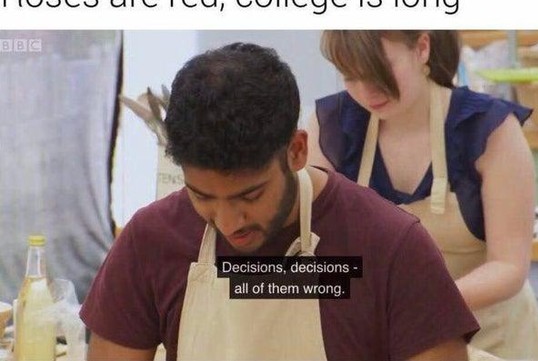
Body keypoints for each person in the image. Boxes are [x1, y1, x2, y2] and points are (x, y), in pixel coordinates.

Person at [80, 42, 479, 361]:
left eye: (249, 195)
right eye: (202, 197)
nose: (228, 221)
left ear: (297, 151)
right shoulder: (151, 240)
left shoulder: (389, 246)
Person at [307, 30, 538, 360]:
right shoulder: (331, 127)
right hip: (381, 340)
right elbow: (316, 250)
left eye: (380, 70)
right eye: (351, 76)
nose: (367, 90)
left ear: (421, 48)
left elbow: (508, 267)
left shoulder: (490, 128)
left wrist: (410, 310)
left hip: (489, 336)